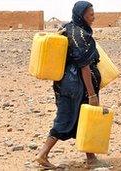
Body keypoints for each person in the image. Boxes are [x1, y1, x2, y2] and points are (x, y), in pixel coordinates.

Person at [35, 1, 104, 169]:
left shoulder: (69, 28)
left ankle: (91, 157)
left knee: (84, 117)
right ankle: (42, 155)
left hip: (66, 82)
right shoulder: (80, 35)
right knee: (67, 117)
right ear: (82, 15)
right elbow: (84, 67)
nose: (94, 18)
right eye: (91, 15)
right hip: (76, 85)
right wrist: (92, 94)